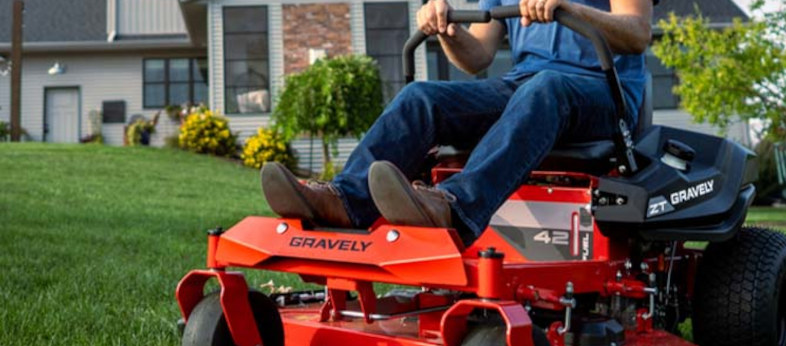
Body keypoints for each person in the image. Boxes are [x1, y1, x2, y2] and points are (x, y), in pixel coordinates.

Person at [261, 0, 654, 242]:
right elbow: (477, 56)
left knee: (545, 87)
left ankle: (455, 208)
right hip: (525, 86)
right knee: (421, 98)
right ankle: (347, 201)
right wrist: (446, 27)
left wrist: (571, 9)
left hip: (602, 91)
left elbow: (637, 33)